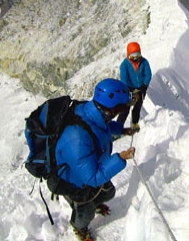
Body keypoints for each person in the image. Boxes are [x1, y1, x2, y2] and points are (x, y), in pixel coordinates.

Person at [54, 78, 136, 240]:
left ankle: (91, 205)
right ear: (111, 108)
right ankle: (79, 227)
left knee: (108, 192)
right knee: (86, 212)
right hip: (74, 181)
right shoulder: (76, 137)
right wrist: (120, 158)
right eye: (120, 108)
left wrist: (122, 130)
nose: (120, 112)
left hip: (90, 166)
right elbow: (92, 178)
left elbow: (102, 126)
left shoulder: (93, 111)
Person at [117, 42, 152, 132]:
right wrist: (128, 90)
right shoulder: (124, 65)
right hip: (129, 90)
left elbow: (148, 74)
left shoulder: (144, 62)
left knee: (137, 107)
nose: (135, 58)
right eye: (133, 56)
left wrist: (144, 85)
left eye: (137, 55)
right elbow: (124, 78)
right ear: (128, 55)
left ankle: (134, 124)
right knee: (125, 110)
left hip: (140, 89)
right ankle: (117, 128)